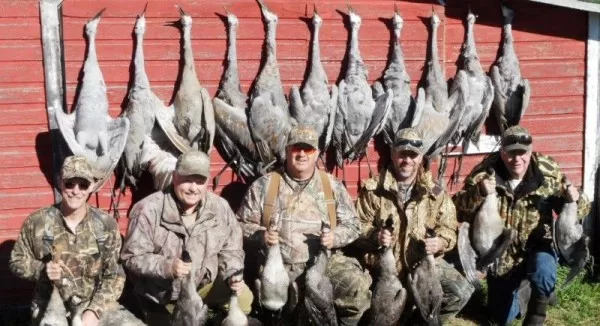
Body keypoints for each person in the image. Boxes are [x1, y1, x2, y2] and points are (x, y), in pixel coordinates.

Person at [453, 125, 590, 325]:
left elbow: (581, 209)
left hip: (537, 246)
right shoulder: (484, 173)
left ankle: (537, 312)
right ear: (502, 152)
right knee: (502, 318)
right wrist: (478, 193)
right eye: (510, 153)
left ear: (530, 151)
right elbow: (457, 209)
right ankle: (525, 289)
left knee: (544, 271)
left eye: (522, 152)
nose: (517, 159)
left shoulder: (548, 172)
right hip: (501, 255)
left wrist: (575, 199)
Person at [237, 125, 372, 325]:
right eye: (296, 148)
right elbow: (240, 225)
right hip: (279, 267)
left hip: (325, 264)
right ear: (287, 151)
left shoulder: (332, 186)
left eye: (307, 149)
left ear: (316, 153)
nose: (301, 154)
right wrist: (260, 235)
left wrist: (335, 237)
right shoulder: (264, 185)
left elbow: (353, 225)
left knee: (356, 286)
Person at [120, 150, 253, 325]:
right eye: (187, 180)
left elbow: (232, 249)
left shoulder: (220, 208)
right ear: (174, 177)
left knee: (244, 301)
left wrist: (232, 273)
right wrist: (167, 266)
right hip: (162, 295)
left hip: (204, 286)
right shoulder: (147, 209)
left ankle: (212, 317)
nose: (193, 188)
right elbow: (131, 257)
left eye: (199, 181)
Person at [355, 128, 474, 323]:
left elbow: (449, 229)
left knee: (460, 292)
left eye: (413, 155)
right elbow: (357, 226)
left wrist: (440, 243)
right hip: (382, 269)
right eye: (403, 154)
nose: (407, 160)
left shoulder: (435, 193)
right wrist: (375, 235)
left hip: (422, 267)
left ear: (420, 158)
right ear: (393, 155)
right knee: (359, 297)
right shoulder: (373, 190)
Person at [9, 155, 125, 326]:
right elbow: (16, 261)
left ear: (91, 186)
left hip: (90, 304)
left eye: (83, 185)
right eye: (70, 183)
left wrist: (94, 311)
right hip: (49, 304)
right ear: (60, 182)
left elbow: (115, 276)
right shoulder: (37, 222)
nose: (76, 191)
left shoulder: (106, 225)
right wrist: (41, 269)